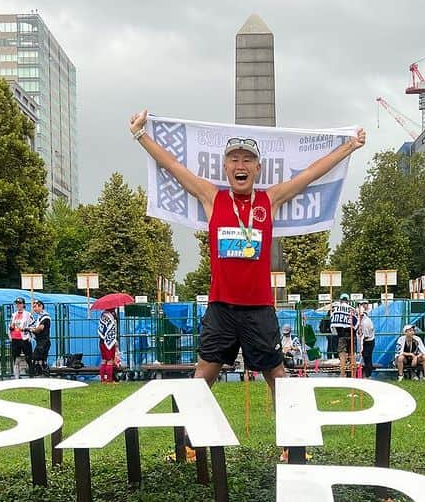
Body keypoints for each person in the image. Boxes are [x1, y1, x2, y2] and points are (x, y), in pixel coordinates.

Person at [129, 109, 365, 395]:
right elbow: (175, 167)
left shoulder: (270, 199)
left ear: (257, 169)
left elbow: (311, 173)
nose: (240, 164)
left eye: (248, 160)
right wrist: (141, 134)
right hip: (221, 308)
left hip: (259, 309)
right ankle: (189, 439)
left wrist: (349, 146)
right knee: (202, 376)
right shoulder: (212, 197)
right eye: (234, 159)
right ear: (225, 167)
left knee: (277, 376)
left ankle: (291, 440)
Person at [328, 293, 357, 377]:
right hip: (352, 334)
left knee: (342, 355)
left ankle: (342, 374)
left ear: (340, 300)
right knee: (352, 355)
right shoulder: (352, 309)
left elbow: (332, 322)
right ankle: (353, 375)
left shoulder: (336, 309)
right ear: (348, 300)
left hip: (341, 335)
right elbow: (356, 322)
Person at [7, 297, 33, 379]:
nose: (18, 305)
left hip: (24, 338)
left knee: (28, 357)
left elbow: (32, 326)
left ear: (23, 304)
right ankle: (16, 376)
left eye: (20, 303)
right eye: (17, 304)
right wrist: (11, 327)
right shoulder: (13, 315)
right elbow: (10, 326)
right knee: (16, 358)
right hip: (15, 338)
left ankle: (31, 375)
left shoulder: (28, 314)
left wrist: (26, 330)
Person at [30, 299, 51, 376]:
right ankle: (43, 374)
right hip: (40, 341)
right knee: (41, 359)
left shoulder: (45, 316)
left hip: (44, 342)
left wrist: (33, 330)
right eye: (33, 307)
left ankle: (41, 374)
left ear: (41, 306)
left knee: (35, 358)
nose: (34, 309)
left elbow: (40, 328)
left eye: (35, 307)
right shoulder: (39, 317)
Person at [98, 308, 120, 383]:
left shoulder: (102, 315)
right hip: (109, 342)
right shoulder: (111, 316)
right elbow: (112, 329)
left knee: (104, 360)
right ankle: (109, 379)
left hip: (101, 341)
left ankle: (102, 379)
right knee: (110, 360)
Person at [358, 301, 376, 378]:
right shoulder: (365, 320)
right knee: (367, 357)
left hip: (368, 341)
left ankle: (369, 374)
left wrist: (361, 340)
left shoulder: (365, 322)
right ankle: (368, 373)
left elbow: (366, 336)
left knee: (367, 357)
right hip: (369, 340)